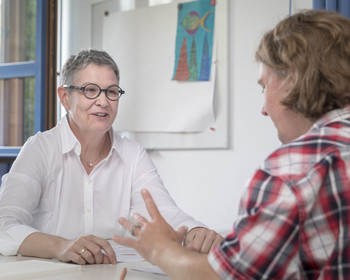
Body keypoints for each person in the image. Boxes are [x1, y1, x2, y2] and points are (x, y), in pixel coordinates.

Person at [112, 9, 350, 279]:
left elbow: (224, 276)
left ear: (293, 80)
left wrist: (159, 249)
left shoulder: (291, 172)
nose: (263, 108)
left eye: (264, 86)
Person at [0, 49, 223, 265]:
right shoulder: (40, 149)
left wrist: (195, 232)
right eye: (90, 90)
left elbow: (162, 213)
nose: (103, 101)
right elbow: (4, 224)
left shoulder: (133, 154)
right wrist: (61, 246)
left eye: (112, 91)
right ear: (65, 97)